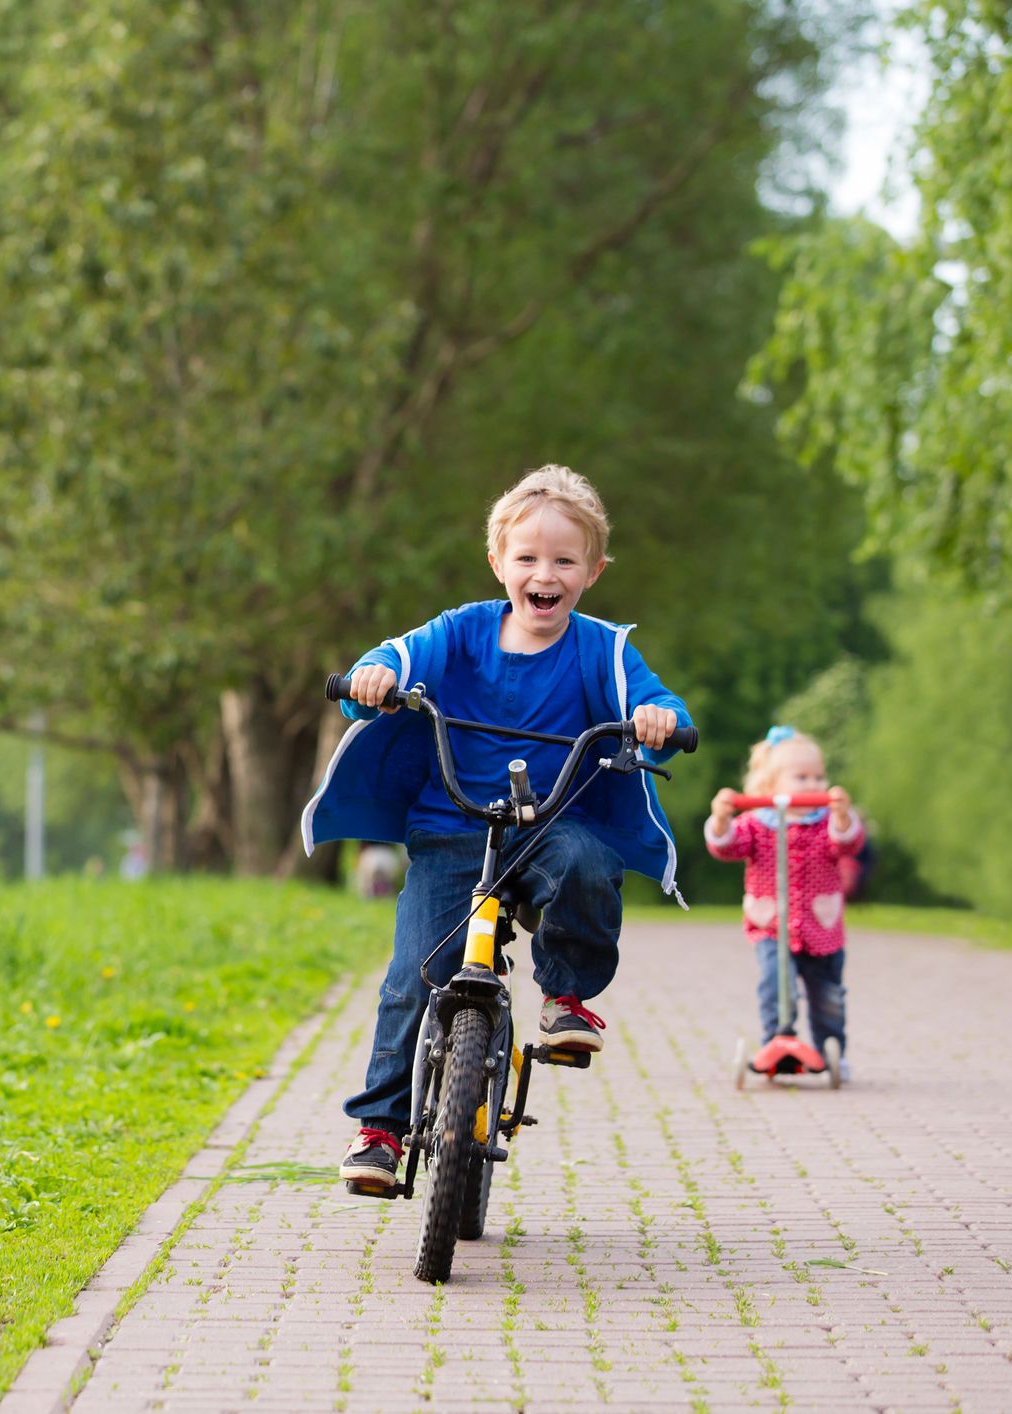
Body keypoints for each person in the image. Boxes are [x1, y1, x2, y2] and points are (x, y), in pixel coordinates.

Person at [300, 465, 693, 1194]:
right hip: (452, 828)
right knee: (411, 976)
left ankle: (565, 996)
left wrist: (659, 718)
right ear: (497, 563)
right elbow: (396, 656)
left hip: (550, 827)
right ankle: (380, 1129)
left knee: (587, 863)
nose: (543, 574)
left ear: (592, 571)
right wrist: (373, 678)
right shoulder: (461, 631)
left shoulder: (599, 648)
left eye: (563, 561)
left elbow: (653, 697)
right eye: (527, 558)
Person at [703, 726, 863, 1079]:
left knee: (828, 996)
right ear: (770, 785)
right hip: (772, 925)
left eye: (819, 777)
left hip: (820, 927)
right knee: (776, 985)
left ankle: (831, 1048)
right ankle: (778, 1038)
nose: (813, 784)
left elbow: (847, 844)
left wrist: (842, 816)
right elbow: (725, 847)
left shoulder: (824, 824)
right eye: (802, 777)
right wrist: (722, 818)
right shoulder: (757, 824)